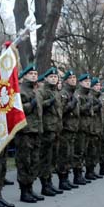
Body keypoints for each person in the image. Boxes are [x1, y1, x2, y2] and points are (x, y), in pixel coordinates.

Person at [16, 63, 44, 203]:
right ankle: (24, 191)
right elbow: (17, 110)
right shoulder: (20, 91)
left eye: (35, 74)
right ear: (25, 75)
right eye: (31, 74)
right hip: (25, 131)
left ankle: (30, 188)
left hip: (36, 130)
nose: (34, 76)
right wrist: (30, 105)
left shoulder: (37, 92)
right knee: (24, 161)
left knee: (34, 161)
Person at [37, 67, 64, 196]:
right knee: (45, 158)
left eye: (55, 77)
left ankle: (49, 182)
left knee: (53, 157)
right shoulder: (42, 91)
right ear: (46, 78)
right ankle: (45, 185)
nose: (54, 79)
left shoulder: (56, 92)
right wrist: (49, 102)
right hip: (47, 129)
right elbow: (39, 107)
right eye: (51, 77)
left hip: (56, 129)